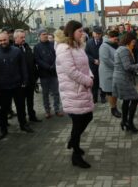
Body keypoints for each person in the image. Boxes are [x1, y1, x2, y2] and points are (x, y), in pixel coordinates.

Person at [55, 20, 94, 169]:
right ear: (72, 32)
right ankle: (76, 157)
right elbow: (71, 71)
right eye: (80, 31)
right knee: (78, 123)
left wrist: (90, 76)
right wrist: (88, 81)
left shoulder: (78, 46)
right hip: (73, 90)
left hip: (82, 88)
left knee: (87, 117)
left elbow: (85, 66)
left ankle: (74, 143)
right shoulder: (63, 48)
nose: (82, 33)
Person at [0, 32, 34, 140]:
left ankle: (23, 125)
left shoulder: (17, 51)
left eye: (4, 40)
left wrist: (25, 80)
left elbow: (23, 66)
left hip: (17, 85)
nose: (3, 42)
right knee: (4, 109)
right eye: (0, 41)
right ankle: (4, 129)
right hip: (3, 87)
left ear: (8, 39)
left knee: (20, 107)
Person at [112, 32, 138, 133]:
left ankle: (124, 122)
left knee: (127, 100)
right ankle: (129, 123)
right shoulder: (124, 50)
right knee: (135, 98)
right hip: (122, 79)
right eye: (133, 42)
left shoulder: (123, 49)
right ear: (128, 40)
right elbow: (127, 67)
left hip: (122, 78)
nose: (134, 44)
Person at [34, 29, 63, 118]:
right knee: (45, 94)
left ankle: (57, 109)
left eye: (46, 34)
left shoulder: (52, 44)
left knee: (56, 93)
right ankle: (47, 111)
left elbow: (57, 56)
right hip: (44, 74)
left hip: (54, 73)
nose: (45, 36)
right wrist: (47, 66)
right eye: (43, 34)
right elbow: (37, 60)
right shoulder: (37, 47)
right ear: (39, 36)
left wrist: (53, 65)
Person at [13, 29, 41, 122]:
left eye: (24, 37)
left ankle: (32, 116)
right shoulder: (13, 50)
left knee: (30, 100)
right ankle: (23, 121)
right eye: (21, 37)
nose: (24, 39)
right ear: (15, 38)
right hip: (20, 82)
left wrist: (35, 76)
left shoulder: (27, 47)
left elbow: (32, 62)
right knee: (20, 103)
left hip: (30, 79)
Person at [98, 30, 121, 118]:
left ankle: (114, 106)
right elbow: (106, 60)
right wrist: (117, 66)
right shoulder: (104, 46)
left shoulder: (113, 45)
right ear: (110, 38)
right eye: (115, 39)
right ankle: (113, 109)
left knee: (113, 91)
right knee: (110, 91)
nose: (117, 41)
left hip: (114, 71)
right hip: (107, 73)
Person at [85, 26, 106, 103]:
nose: (97, 35)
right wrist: (93, 60)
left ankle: (103, 96)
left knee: (102, 81)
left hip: (103, 65)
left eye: (99, 34)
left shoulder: (104, 42)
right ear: (93, 33)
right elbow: (86, 53)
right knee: (94, 82)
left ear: (101, 34)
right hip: (93, 65)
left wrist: (102, 60)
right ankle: (94, 97)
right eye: (96, 33)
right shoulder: (89, 42)